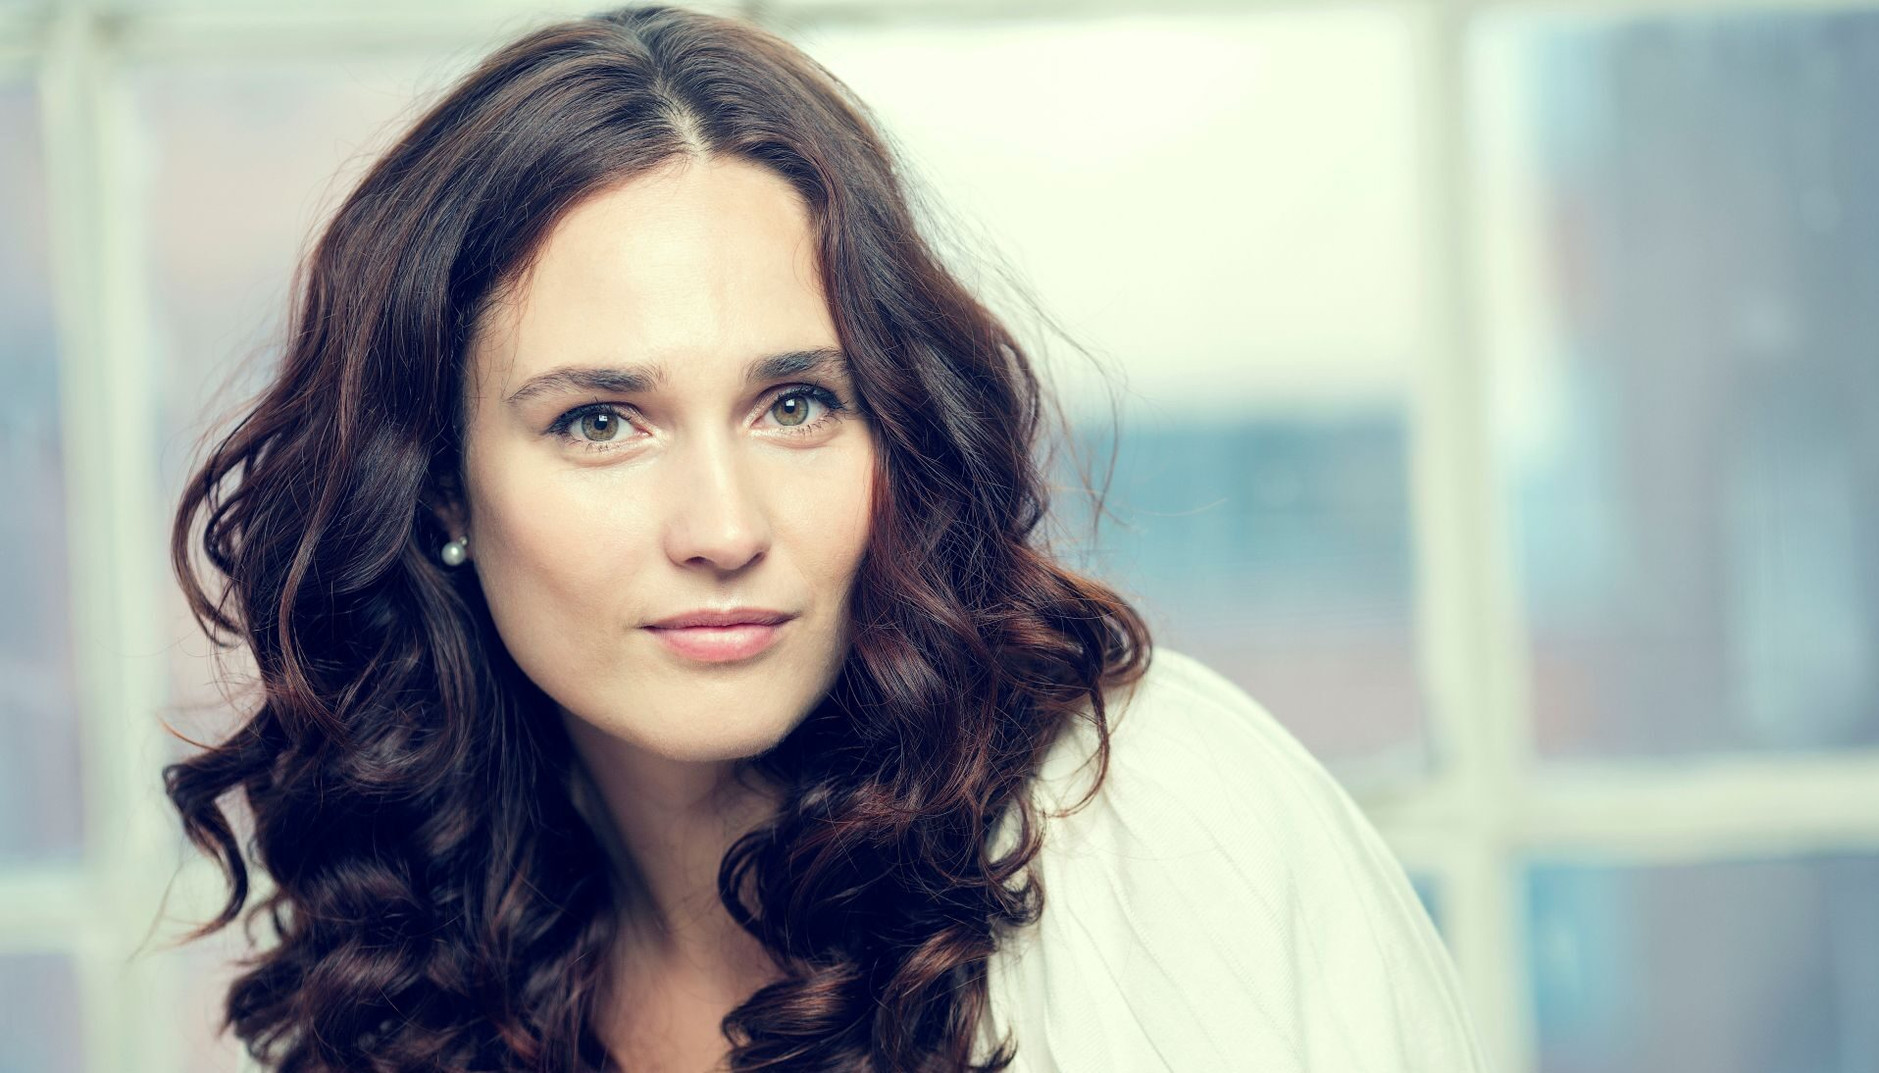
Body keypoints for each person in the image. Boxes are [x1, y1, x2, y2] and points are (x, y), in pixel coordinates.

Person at [161, 5, 1490, 1072]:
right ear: (442, 489)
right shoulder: (412, 968)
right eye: (600, 423)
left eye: (796, 404)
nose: (724, 528)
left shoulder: (1150, 822)